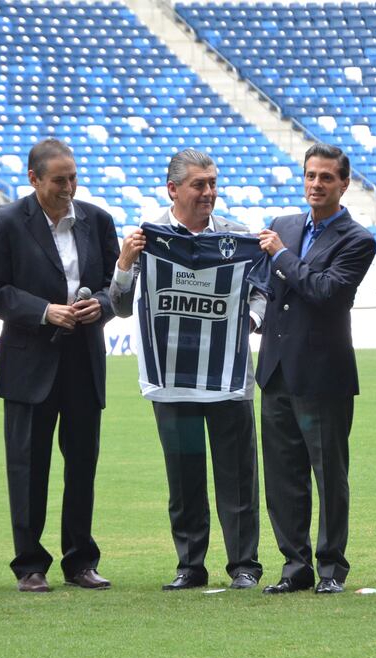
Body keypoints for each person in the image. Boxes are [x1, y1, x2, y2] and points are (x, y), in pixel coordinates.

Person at [109, 149, 264, 591]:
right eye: (199, 185)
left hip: (229, 377)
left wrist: (249, 322)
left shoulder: (238, 236)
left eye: (213, 183)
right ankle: (190, 565)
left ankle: (244, 566)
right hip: (171, 378)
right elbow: (119, 308)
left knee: (238, 477)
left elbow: (260, 291)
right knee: (184, 475)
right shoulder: (147, 238)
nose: (209, 193)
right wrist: (123, 265)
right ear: (173, 189)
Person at [0, 138, 120, 593]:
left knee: (82, 466)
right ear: (34, 179)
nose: (69, 187)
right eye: (59, 180)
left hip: (83, 359)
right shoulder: (8, 222)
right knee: (28, 467)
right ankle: (30, 565)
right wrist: (44, 311)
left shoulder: (97, 221)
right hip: (29, 364)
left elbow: (118, 284)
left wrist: (101, 305)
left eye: (73, 177)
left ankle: (80, 561)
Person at [256, 143, 376, 595]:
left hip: (323, 376)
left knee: (328, 474)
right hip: (276, 373)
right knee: (283, 476)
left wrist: (284, 256)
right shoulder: (283, 224)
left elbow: (327, 292)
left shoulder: (357, 239)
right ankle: (294, 566)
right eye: (310, 175)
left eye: (326, 177)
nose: (316, 184)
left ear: (344, 183)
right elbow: (269, 288)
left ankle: (331, 568)